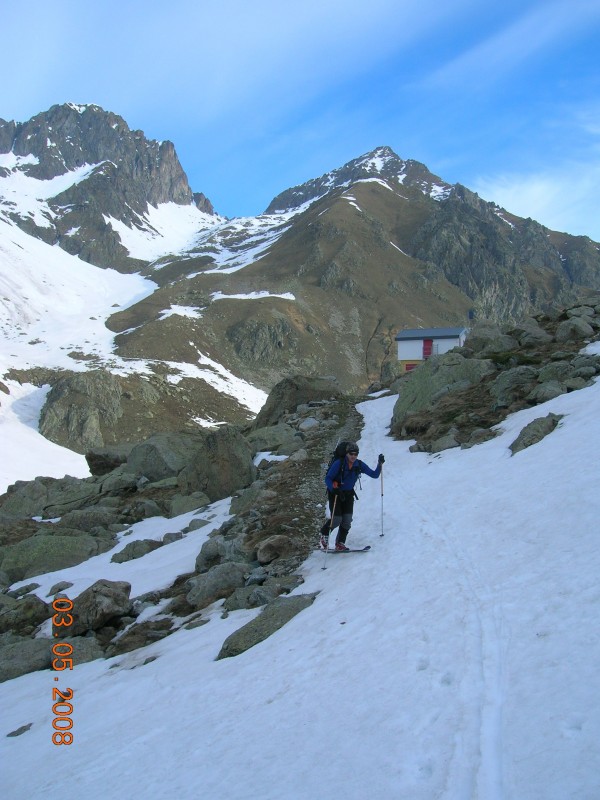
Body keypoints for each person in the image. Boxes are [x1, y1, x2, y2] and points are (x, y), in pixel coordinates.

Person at [320, 442, 385, 551]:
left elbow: (374, 475)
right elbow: (328, 478)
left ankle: (340, 543)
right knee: (336, 519)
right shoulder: (338, 463)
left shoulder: (359, 464)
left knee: (347, 520)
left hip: (349, 494)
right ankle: (324, 534)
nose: (353, 456)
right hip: (335, 493)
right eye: (351, 454)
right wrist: (333, 488)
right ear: (347, 454)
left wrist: (380, 464)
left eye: (355, 454)